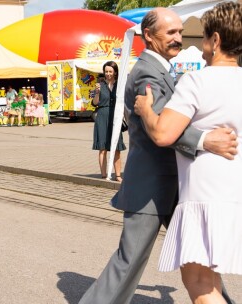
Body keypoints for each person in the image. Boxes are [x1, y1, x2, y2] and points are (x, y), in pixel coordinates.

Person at [79, 7, 237, 304]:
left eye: (180, 31)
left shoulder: (160, 68)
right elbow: (164, 125)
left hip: (174, 183)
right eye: (172, 32)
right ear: (148, 36)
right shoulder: (148, 72)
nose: (179, 38)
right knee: (131, 259)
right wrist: (206, 140)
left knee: (201, 260)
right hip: (152, 185)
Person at [133, 3, 242, 303]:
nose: (199, 42)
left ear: (216, 40)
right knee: (211, 278)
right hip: (234, 190)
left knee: (198, 281)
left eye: (204, 36)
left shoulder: (198, 81)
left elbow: (162, 133)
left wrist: (145, 111)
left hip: (205, 193)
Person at [92, 61, 126, 182]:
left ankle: (117, 175)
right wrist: (96, 93)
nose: (108, 74)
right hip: (102, 116)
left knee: (116, 147)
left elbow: (124, 101)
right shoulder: (100, 85)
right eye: (106, 71)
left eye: (110, 71)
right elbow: (95, 103)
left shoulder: (120, 85)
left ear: (115, 72)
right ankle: (103, 174)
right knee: (103, 148)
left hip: (115, 117)